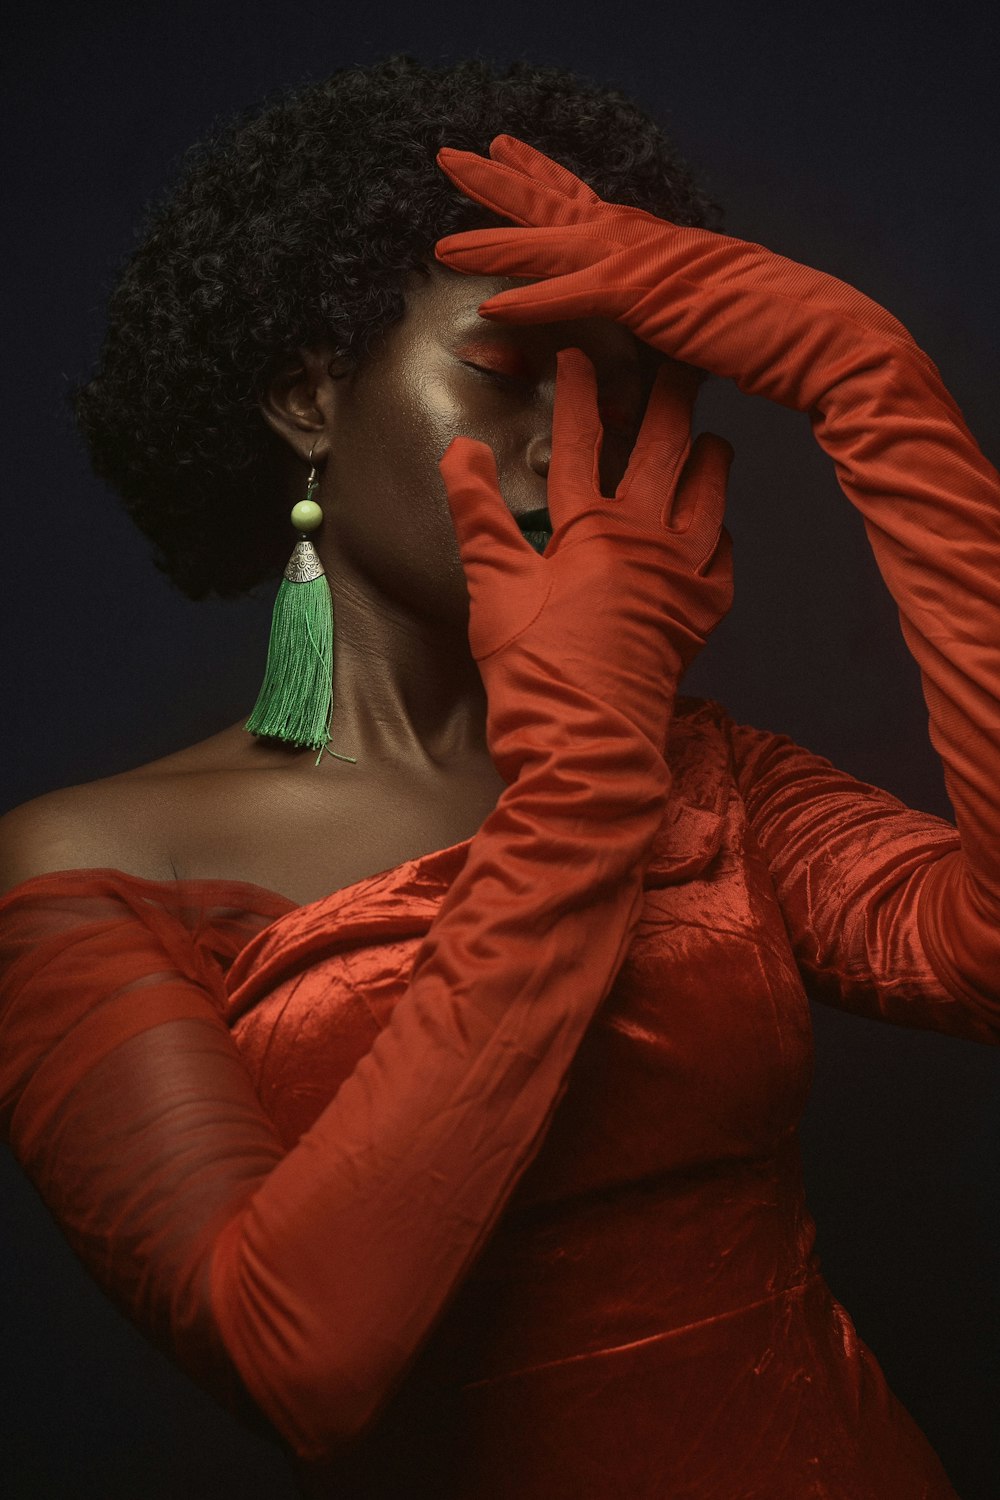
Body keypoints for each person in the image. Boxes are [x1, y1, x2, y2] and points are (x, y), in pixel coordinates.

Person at [0, 54, 996, 1500]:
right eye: (511, 372)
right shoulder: (92, 865)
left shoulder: (704, 770)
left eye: (623, 390)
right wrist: (578, 786)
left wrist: (871, 382)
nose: (566, 442)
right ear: (303, 396)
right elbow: (302, 1358)